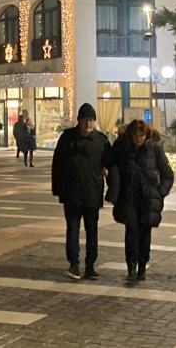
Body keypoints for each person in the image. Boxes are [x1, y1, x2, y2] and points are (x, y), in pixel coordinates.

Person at [108, 119, 174, 282]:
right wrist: (114, 189)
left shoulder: (154, 149)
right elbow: (114, 169)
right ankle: (131, 266)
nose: (138, 139)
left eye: (141, 136)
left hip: (148, 198)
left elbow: (167, 174)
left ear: (146, 135)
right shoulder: (122, 148)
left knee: (145, 233)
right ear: (130, 135)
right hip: (128, 197)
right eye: (135, 136)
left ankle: (142, 267)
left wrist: (160, 193)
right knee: (131, 232)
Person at [51, 102, 111, 280]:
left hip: (92, 192)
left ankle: (91, 265)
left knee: (92, 231)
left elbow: (110, 163)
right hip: (71, 192)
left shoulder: (101, 140)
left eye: (91, 121)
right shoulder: (67, 138)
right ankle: (74, 264)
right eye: (85, 120)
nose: (88, 124)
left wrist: (108, 175)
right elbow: (57, 164)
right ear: (79, 121)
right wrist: (57, 189)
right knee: (73, 229)